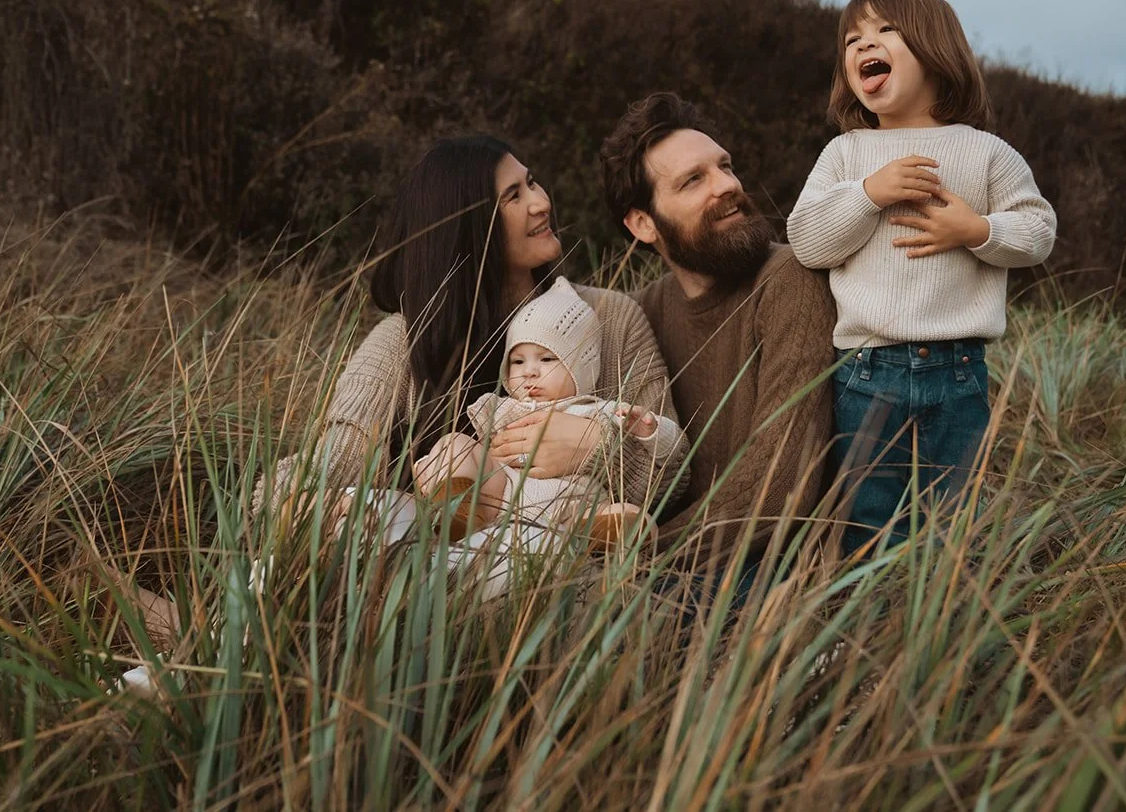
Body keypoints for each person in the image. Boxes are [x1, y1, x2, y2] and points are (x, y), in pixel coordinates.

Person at [254, 135, 684, 527]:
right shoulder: (400, 341)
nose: (540, 202)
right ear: (469, 227)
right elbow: (330, 462)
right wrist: (312, 501)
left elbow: (676, 477)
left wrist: (599, 450)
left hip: (570, 572)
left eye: (532, 183)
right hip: (436, 579)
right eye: (514, 196)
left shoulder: (611, 317)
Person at [785, 0, 1057, 555]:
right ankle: (867, 636)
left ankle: (949, 633)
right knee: (867, 519)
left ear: (936, 51)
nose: (865, 45)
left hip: (958, 372)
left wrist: (978, 231)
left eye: (886, 31)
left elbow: (1038, 231)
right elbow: (808, 241)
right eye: (852, 38)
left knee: (956, 522)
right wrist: (869, 194)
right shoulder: (846, 154)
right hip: (865, 371)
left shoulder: (986, 151)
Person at [598, 93, 836, 580]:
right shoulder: (640, 313)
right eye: (694, 180)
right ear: (643, 223)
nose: (727, 185)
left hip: (767, 575)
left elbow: (777, 489)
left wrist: (631, 563)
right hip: (676, 572)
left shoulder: (790, 277)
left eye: (725, 166)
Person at [412, 276, 683, 547]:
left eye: (547, 359)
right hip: (502, 498)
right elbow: (478, 455)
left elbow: (672, 453)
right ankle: (457, 509)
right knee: (454, 444)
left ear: (582, 368)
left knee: (635, 516)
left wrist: (650, 430)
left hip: (572, 504)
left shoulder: (596, 410)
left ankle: (595, 537)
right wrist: (433, 468)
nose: (529, 371)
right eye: (518, 361)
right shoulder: (503, 409)